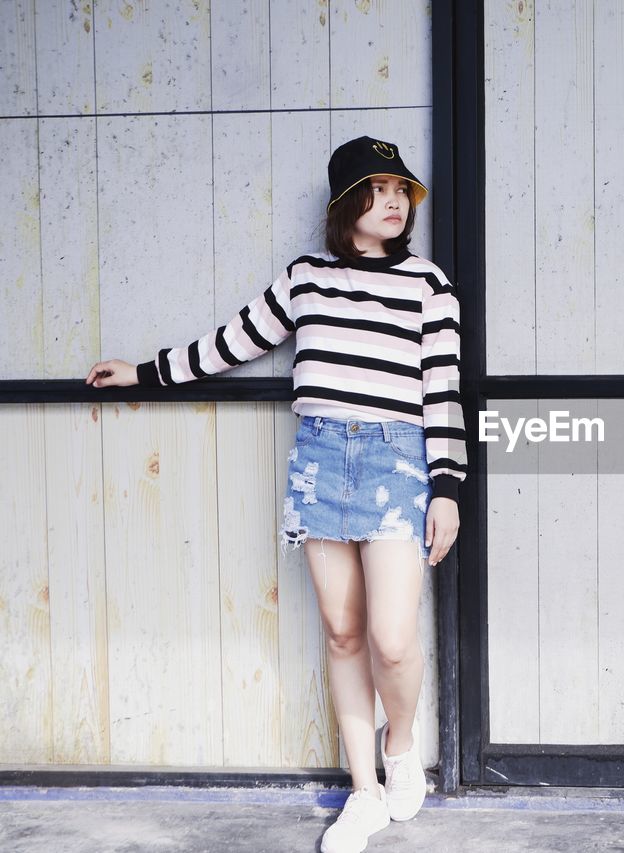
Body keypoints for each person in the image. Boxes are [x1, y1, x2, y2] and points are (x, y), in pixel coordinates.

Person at [84, 135, 467, 853]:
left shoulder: (428, 285)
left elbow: (443, 391)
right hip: (321, 458)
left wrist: (445, 488)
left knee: (392, 633)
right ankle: (364, 792)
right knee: (344, 632)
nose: (393, 202)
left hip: (396, 462)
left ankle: (403, 743)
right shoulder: (306, 278)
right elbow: (231, 341)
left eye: (399, 192)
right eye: (378, 189)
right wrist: (143, 372)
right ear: (346, 203)